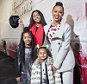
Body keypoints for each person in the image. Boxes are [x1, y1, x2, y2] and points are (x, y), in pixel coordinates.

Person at [44, 2, 75, 84]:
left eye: (60, 12)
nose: (57, 14)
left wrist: (56, 65)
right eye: (55, 11)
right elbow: (47, 45)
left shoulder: (66, 27)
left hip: (66, 61)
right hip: (53, 60)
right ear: (52, 12)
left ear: (63, 14)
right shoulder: (47, 27)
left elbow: (65, 47)